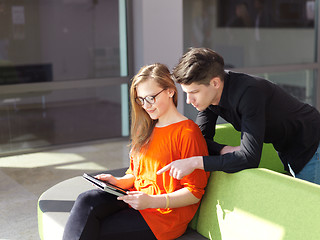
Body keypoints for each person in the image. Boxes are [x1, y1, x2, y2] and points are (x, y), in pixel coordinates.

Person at [62, 63, 209, 240]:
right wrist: (117, 181)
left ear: (170, 91)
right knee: (87, 199)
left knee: (93, 229)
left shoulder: (187, 132)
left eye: (151, 98)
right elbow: (135, 173)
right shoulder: (146, 128)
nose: (146, 106)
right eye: (141, 99)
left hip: (162, 216)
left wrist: (152, 201)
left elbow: (194, 192)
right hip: (134, 198)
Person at [157, 47, 320, 185]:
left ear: (215, 83)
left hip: (311, 144)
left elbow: (249, 158)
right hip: (289, 149)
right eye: (186, 93)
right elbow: (199, 140)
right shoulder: (209, 98)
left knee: (311, 214)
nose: (188, 100)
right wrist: (224, 149)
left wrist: (195, 163)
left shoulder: (249, 93)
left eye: (194, 92)